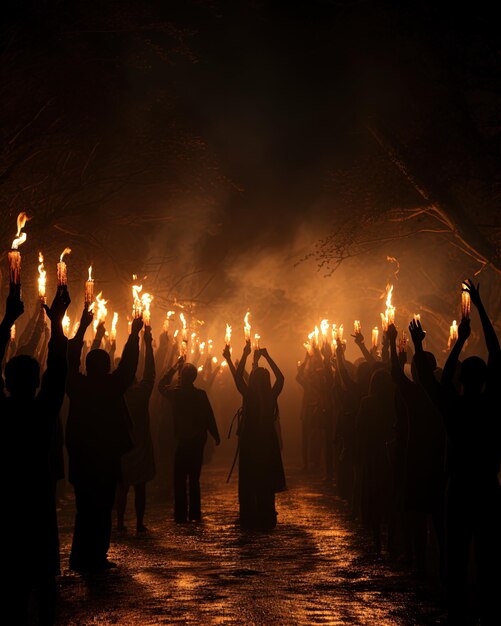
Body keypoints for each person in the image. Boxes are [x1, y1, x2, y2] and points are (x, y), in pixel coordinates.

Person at [409, 279, 500, 625]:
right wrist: (479, 309)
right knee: (490, 554)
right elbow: (497, 355)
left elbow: (437, 382)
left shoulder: (454, 409)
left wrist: (434, 345)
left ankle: (457, 611)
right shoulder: (493, 406)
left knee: (457, 554)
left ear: (463, 381)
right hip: (488, 489)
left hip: (460, 489)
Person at [1, 285, 70, 625]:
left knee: (13, 578)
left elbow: (56, 374)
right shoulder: (43, 411)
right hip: (36, 495)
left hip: (9, 496)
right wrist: (57, 323)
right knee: (42, 579)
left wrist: (6, 322)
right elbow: (58, 373)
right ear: (35, 382)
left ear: (7, 382)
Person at [66, 308, 142, 573]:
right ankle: (95, 555)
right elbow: (130, 366)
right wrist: (133, 336)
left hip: (83, 460)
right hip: (105, 459)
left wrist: (81, 330)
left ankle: (80, 556)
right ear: (107, 367)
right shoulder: (110, 387)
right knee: (101, 509)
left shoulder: (77, 386)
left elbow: (67, 361)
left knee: (84, 510)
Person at [225, 342, 286, 529]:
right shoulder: (271, 395)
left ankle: (250, 513)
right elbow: (281, 378)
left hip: (251, 442)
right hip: (267, 442)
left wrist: (244, 355)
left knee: (250, 477)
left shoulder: (248, 395)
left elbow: (238, 377)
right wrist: (267, 358)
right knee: (266, 477)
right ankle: (267, 512)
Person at [158, 356, 220, 522]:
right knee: (194, 479)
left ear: (182, 377)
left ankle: (180, 515)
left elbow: (160, 386)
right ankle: (194, 513)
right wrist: (215, 434)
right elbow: (209, 416)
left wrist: (174, 367)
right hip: (198, 441)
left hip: (183, 441)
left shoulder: (177, 393)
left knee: (179, 478)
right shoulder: (200, 394)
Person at [116, 325, 156, 533]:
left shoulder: (117, 393)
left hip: (122, 448)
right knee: (140, 488)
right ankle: (139, 523)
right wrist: (148, 344)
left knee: (121, 488)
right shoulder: (141, 393)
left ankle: (120, 522)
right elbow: (150, 373)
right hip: (139, 448)